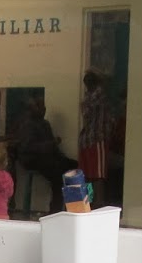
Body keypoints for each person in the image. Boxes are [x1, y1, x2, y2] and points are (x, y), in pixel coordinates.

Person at [11, 96, 77, 215]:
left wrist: (60, 155)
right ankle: (55, 210)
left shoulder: (45, 123)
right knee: (58, 173)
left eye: (44, 107)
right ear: (33, 108)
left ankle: (75, 206)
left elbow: (52, 147)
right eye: (41, 107)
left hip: (47, 157)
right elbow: (28, 148)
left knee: (74, 166)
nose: (44, 109)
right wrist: (51, 144)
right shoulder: (27, 124)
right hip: (31, 159)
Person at [78, 71, 112, 207]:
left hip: (85, 140)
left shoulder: (87, 98)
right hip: (97, 140)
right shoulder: (100, 96)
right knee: (98, 176)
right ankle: (99, 205)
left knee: (88, 176)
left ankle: (89, 203)